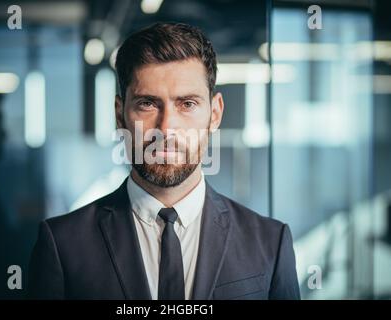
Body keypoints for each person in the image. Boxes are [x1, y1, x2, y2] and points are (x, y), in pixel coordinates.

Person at [28, 22, 300, 300]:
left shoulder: (270, 243)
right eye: (147, 103)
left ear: (215, 114)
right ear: (120, 115)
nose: (167, 127)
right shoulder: (63, 245)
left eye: (187, 104)